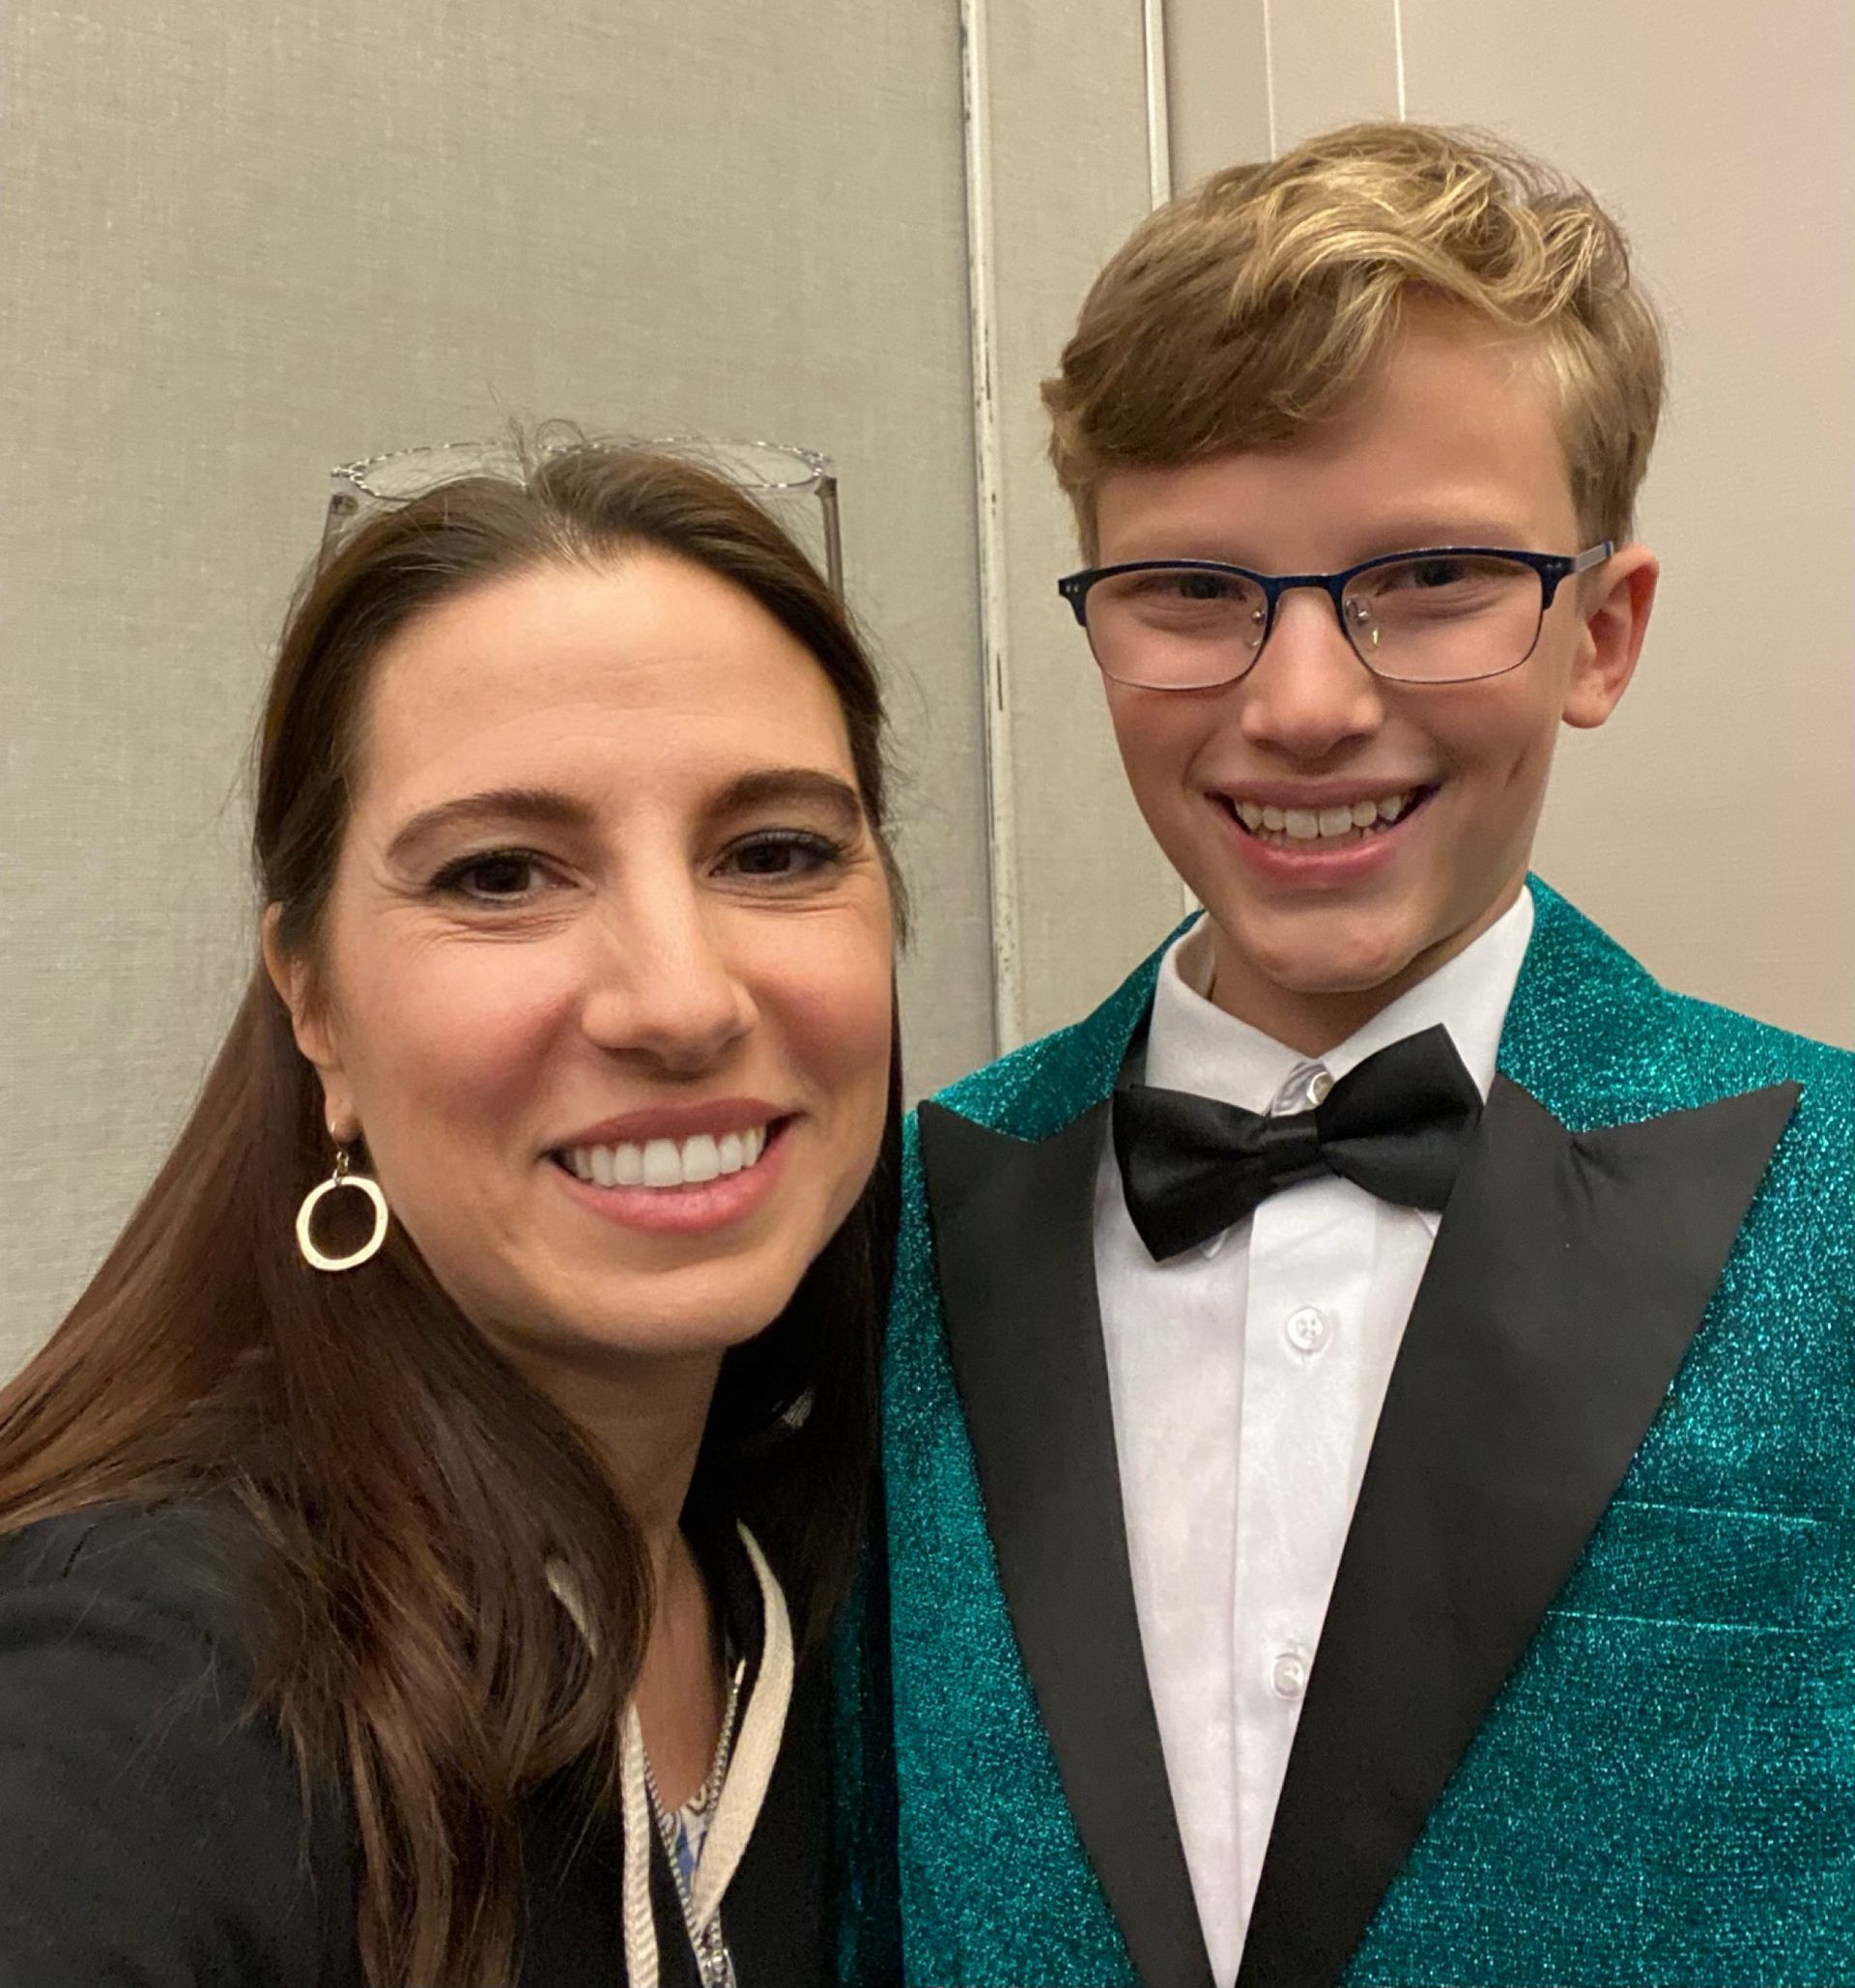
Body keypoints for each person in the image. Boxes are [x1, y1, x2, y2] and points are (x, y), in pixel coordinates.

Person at [842, 124, 1855, 1987]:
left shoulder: (1843, 1194)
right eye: (1191, 591)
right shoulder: (900, 1212)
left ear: (1600, 632)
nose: (1303, 702)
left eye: (1437, 576)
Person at [0, 438, 901, 1987]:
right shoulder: (139, 1689)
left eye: (775, 851)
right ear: (315, 1006)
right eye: (500, 874)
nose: (679, 998)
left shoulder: (832, 1607)